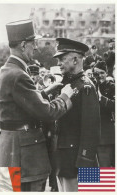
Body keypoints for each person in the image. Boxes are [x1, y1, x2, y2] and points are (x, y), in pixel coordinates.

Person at [0, 19, 75, 192]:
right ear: (23, 45)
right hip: (25, 157)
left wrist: (46, 91)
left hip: (6, 149)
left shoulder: (5, 71)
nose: (36, 48)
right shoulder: (19, 75)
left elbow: (19, 106)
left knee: (2, 191)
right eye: (33, 43)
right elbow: (46, 112)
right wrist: (64, 97)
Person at [53, 38, 101, 192]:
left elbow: (91, 128)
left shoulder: (85, 87)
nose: (59, 63)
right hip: (66, 159)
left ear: (75, 60)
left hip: (77, 162)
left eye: (62, 58)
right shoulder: (68, 85)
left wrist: (85, 161)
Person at [93, 61, 115, 167]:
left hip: (106, 134)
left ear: (106, 73)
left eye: (102, 73)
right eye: (96, 74)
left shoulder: (112, 87)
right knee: (93, 171)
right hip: (91, 134)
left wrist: (102, 99)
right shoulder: (89, 87)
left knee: (106, 168)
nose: (99, 76)